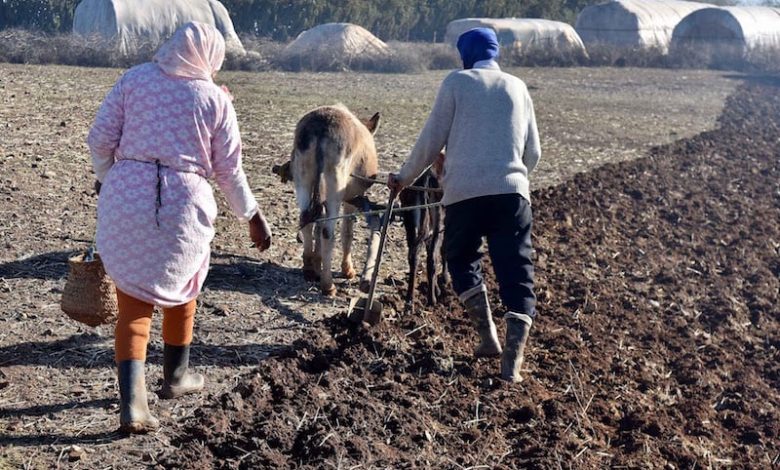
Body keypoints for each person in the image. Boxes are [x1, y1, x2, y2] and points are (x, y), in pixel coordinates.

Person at [88, 22, 272, 433]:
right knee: (185, 287)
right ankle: (175, 378)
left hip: (127, 198)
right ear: (211, 57)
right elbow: (229, 171)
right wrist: (252, 216)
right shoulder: (214, 99)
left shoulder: (134, 80)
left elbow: (99, 139)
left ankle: (133, 403)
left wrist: (107, 177)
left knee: (134, 305)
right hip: (184, 207)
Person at [388, 28, 541, 383]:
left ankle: (488, 337)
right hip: (512, 196)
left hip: (464, 195)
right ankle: (511, 365)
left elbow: (431, 141)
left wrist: (404, 178)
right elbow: (533, 153)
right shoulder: (517, 87)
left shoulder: (456, 82)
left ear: (465, 55)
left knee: (459, 260)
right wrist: (511, 177)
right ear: (495, 53)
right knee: (517, 274)